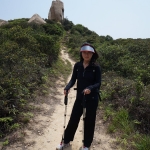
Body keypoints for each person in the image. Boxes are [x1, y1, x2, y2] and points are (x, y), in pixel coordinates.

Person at [56, 42, 101, 150]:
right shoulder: (78, 66)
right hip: (80, 98)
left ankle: (86, 145)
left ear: (93, 54)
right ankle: (65, 141)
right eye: (84, 52)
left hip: (92, 99)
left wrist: (90, 88)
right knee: (73, 120)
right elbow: (73, 79)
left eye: (89, 53)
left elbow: (98, 83)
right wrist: (67, 87)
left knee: (89, 122)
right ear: (81, 53)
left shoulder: (96, 67)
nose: (86, 55)